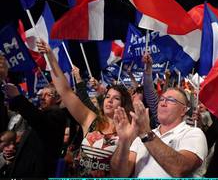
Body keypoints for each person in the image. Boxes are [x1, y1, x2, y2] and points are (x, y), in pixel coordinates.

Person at [36, 39, 134, 177]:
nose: (109, 100)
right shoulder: (91, 119)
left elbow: (126, 172)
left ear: (123, 105)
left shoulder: (129, 130)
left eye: (116, 98)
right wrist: (50, 57)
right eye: (107, 96)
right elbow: (65, 91)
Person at [111, 88, 208, 177]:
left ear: (183, 110)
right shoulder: (142, 136)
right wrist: (124, 141)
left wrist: (146, 133)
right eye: (161, 99)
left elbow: (180, 169)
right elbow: (119, 174)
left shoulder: (193, 134)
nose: (163, 103)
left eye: (171, 100)